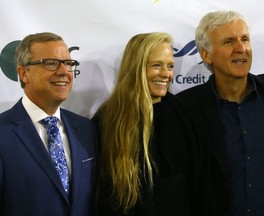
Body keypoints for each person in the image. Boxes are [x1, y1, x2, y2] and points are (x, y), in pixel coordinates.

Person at [177, 10, 264, 216]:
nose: (241, 48)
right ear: (206, 55)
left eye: (245, 39)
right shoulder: (185, 109)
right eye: (229, 41)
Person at [93, 32, 206, 216]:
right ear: (135, 67)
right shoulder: (108, 120)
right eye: (156, 65)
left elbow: (199, 185)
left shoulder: (186, 117)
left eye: (170, 66)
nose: (166, 74)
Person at [0, 32, 98, 216]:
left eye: (68, 63)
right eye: (51, 63)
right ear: (24, 73)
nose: (64, 72)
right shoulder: (3, 132)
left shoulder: (86, 129)